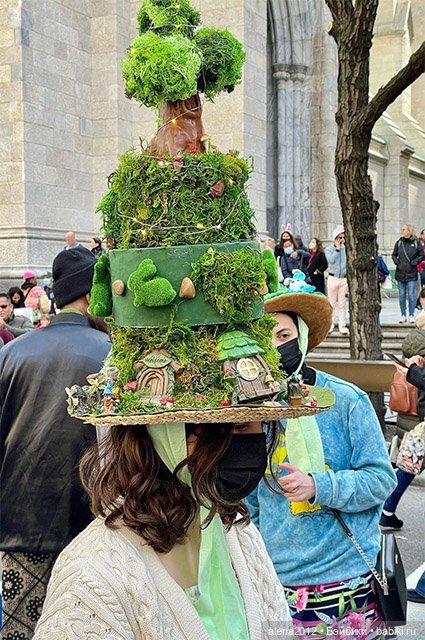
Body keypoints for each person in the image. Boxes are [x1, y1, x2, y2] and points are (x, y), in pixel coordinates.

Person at [34, 420, 292, 638]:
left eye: (259, 424)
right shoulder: (91, 577)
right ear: (170, 432)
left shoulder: (239, 532)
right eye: (236, 425)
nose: (251, 443)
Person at [246, 283, 397, 638]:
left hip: (347, 580)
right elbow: (251, 503)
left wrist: (318, 485)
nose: (275, 346)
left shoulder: (347, 400)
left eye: (284, 335)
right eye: (264, 339)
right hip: (278, 584)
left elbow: (381, 479)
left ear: (301, 337)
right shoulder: (252, 412)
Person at [0, 246, 111, 638]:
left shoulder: (10, 353)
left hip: (17, 531)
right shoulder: (110, 356)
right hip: (91, 530)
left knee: (20, 632)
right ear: (89, 296)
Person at [392, 224, 423, 323]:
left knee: (411, 294)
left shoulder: (416, 242)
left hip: (411, 273)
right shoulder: (399, 242)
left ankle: (411, 314)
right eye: (402, 229)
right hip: (400, 272)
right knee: (401, 295)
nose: (402, 231)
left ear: (409, 231)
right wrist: (397, 262)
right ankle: (403, 314)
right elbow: (394, 254)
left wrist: (414, 262)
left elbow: (421, 255)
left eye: (404, 229)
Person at [325, 225, 348, 334]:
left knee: (342, 303)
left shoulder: (346, 250)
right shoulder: (329, 249)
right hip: (332, 277)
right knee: (331, 303)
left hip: (343, 278)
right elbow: (331, 260)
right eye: (339, 237)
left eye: (343, 237)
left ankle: (342, 325)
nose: (341, 240)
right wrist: (337, 250)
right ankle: (330, 324)